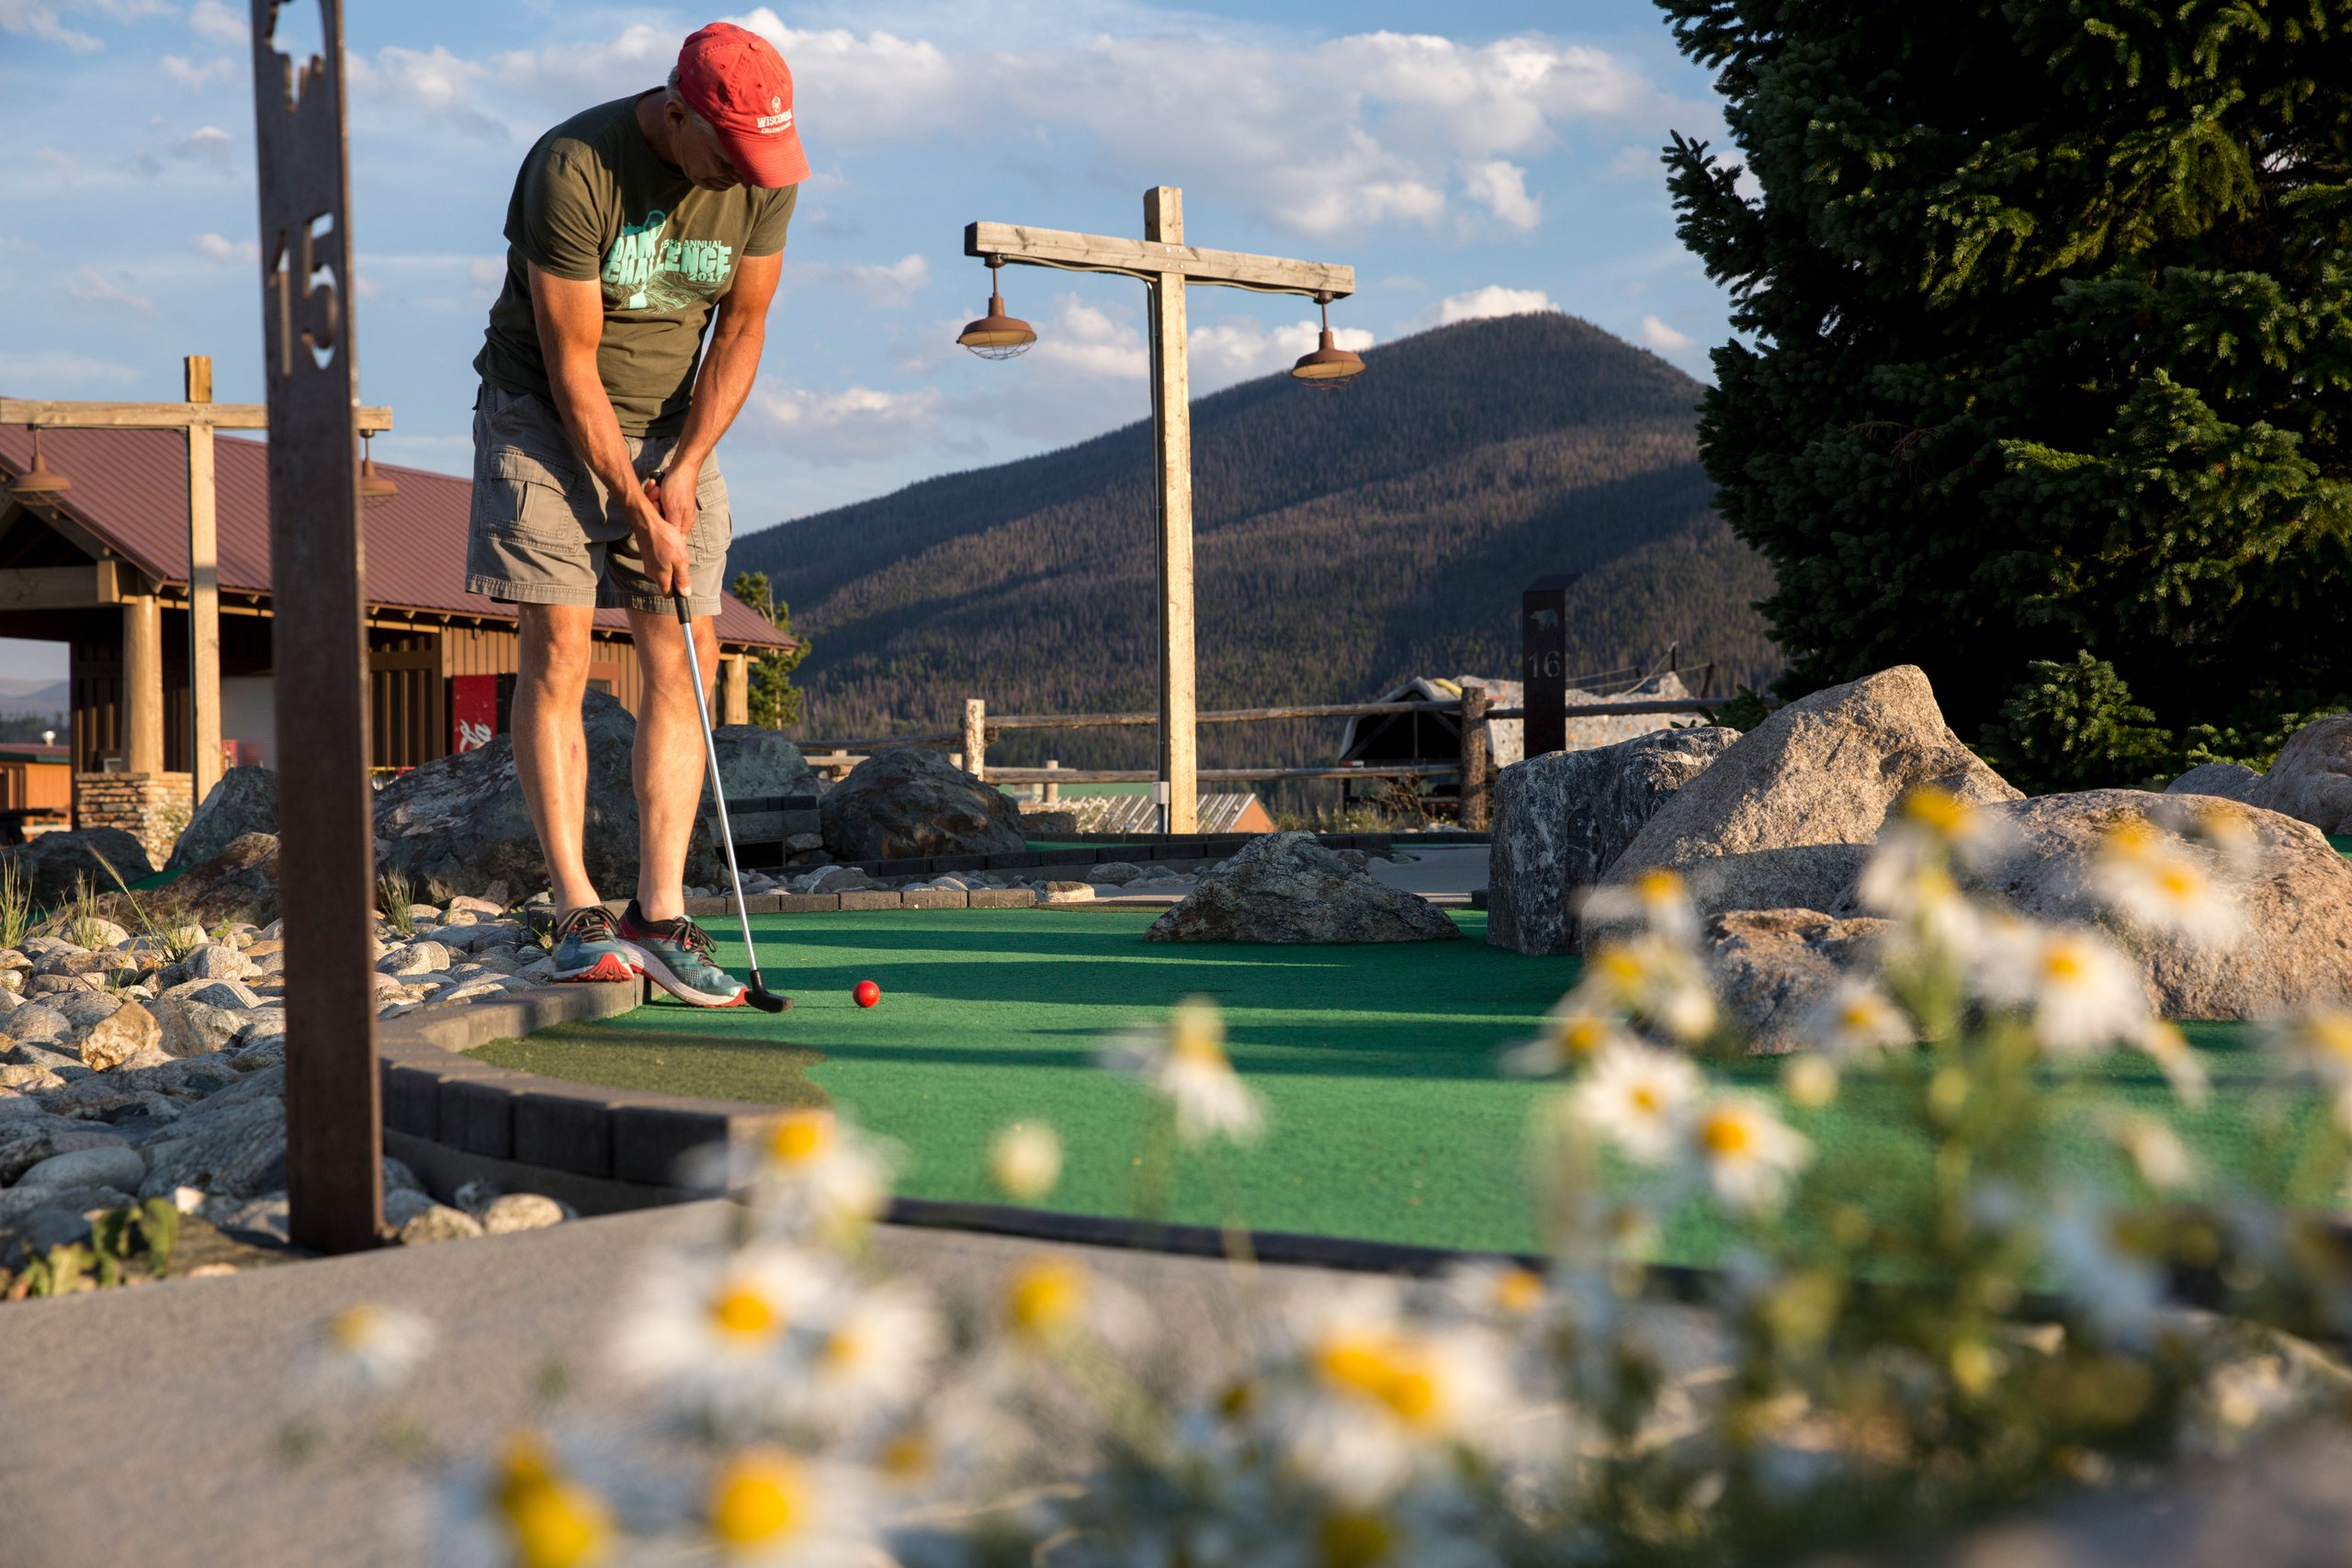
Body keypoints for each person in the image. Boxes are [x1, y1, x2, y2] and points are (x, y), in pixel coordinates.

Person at [467, 21, 806, 1006]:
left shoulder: (765, 177)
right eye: (729, 152)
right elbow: (571, 364)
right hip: (542, 416)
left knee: (686, 653)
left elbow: (741, 328)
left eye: (762, 158)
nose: (746, 175)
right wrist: (630, 501)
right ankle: (577, 912)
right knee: (562, 649)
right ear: (677, 112)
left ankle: (658, 912)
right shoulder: (573, 166)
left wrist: (687, 467)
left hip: (671, 423)